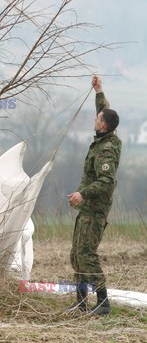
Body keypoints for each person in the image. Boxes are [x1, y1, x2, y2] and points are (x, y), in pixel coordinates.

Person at [67, 75, 121, 315]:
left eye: (98, 119)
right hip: (86, 210)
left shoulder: (107, 149)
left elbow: (106, 182)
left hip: (94, 210)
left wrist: (83, 194)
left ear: (103, 126)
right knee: (76, 254)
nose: (95, 118)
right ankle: (81, 302)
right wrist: (99, 91)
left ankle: (103, 302)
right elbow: (105, 110)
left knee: (87, 255)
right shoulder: (107, 134)